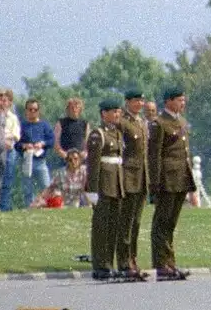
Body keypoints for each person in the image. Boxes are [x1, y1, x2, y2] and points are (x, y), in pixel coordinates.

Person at [147, 86, 196, 281]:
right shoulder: (159, 123)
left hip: (181, 178)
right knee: (162, 222)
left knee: (171, 223)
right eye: (178, 100)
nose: (182, 103)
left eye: (183, 100)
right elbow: (154, 155)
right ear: (168, 101)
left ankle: (170, 262)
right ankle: (161, 264)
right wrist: (155, 182)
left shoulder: (181, 121)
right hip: (166, 179)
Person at [85, 97, 127, 280]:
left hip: (116, 184)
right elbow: (93, 165)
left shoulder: (117, 133)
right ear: (104, 114)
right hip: (103, 185)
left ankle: (109, 264)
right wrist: (92, 191)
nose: (117, 114)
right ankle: (100, 266)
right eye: (113, 111)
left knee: (113, 227)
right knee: (101, 227)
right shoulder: (98, 134)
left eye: (118, 111)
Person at [116, 88, 151, 280]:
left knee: (136, 222)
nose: (139, 104)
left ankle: (133, 259)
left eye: (141, 101)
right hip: (129, 177)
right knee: (126, 222)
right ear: (127, 102)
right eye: (136, 101)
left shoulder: (142, 122)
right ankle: (124, 261)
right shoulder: (123, 122)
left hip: (142, 178)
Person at [15, 98, 56, 208]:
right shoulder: (21, 126)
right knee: (27, 188)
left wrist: (42, 144)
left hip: (40, 160)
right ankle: (30, 208)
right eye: (30, 109)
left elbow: (52, 141)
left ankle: (50, 207)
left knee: (46, 186)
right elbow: (16, 144)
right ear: (26, 111)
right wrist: (24, 145)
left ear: (39, 111)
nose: (33, 111)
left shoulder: (44, 125)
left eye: (35, 109)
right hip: (26, 160)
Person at [0, 88, 18, 211]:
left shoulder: (5, 115)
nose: (0, 100)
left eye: (2, 97)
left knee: (0, 181)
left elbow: (15, 133)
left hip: (2, 152)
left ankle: (0, 206)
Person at [54, 97, 88, 163]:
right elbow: (55, 141)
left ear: (80, 109)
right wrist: (63, 154)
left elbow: (88, 141)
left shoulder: (85, 124)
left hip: (80, 159)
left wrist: (85, 152)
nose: (74, 110)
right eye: (72, 108)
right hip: (65, 159)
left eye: (77, 107)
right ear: (68, 109)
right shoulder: (61, 123)